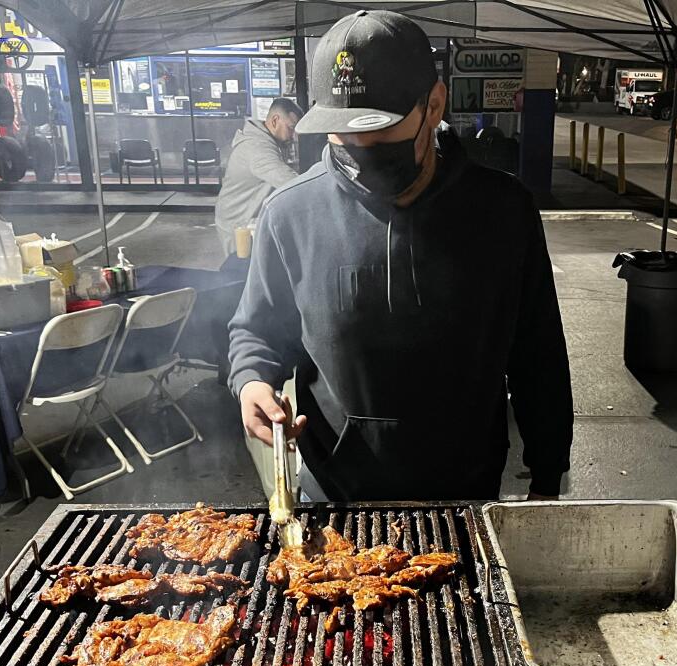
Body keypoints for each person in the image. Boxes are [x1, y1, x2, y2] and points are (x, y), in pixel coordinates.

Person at [228, 9, 572, 502]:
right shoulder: (289, 214)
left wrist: (547, 476)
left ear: (433, 105)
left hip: (467, 487)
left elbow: (538, 353)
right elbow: (255, 330)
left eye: (378, 128)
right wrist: (250, 382)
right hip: (334, 493)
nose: (362, 146)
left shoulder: (503, 211)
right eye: (344, 133)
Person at [215, 97, 302, 264]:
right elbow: (288, 182)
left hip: (246, 219)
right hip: (238, 223)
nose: (293, 136)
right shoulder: (258, 147)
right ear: (275, 120)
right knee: (242, 273)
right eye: (291, 128)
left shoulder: (267, 139)